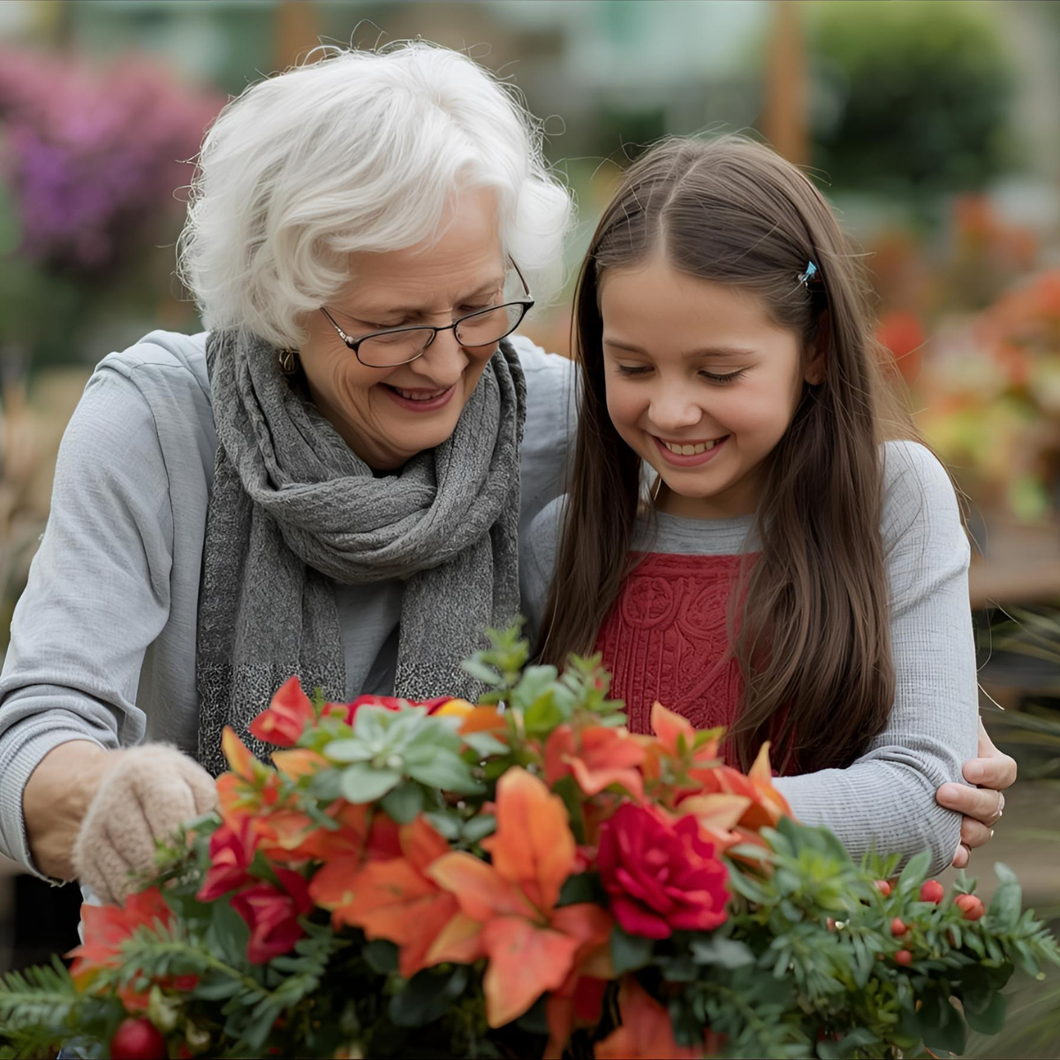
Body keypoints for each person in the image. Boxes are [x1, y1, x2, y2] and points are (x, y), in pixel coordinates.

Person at [0, 49, 1008, 907]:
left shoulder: (575, 424)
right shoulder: (158, 420)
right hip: (207, 982)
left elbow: (779, 478)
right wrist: (113, 796)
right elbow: (36, 731)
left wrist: (924, 747)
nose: (443, 362)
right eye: (390, 323)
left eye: (481, 307)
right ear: (275, 297)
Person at [523, 135, 1005, 873]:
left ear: (815, 350)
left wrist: (642, 814)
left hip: (826, 977)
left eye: (718, 372)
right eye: (632, 366)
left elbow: (921, 806)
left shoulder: (890, 500)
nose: (673, 410)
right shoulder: (564, 543)